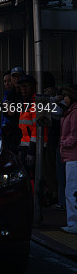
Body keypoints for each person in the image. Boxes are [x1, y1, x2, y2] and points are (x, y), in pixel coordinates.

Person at [59, 83, 77, 234]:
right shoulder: (70, 111)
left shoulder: (74, 112)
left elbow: (74, 135)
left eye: (65, 95)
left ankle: (73, 222)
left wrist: (63, 144)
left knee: (71, 189)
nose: (64, 98)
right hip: (70, 156)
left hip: (73, 155)